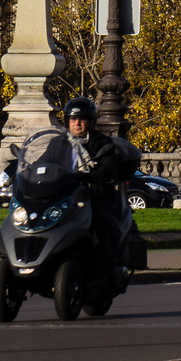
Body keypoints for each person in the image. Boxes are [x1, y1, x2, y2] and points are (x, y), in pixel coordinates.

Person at [62, 97, 125, 270]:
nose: (77, 124)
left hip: (93, 194)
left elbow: (110, 165)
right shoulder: (57, 143)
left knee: (104, 223)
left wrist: (94, 174)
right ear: (67, 121)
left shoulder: (101, 143)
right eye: (73, 119)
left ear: (90, 122)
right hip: (63, 195)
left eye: (82, 120)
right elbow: (43, 162)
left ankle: (107, 268)